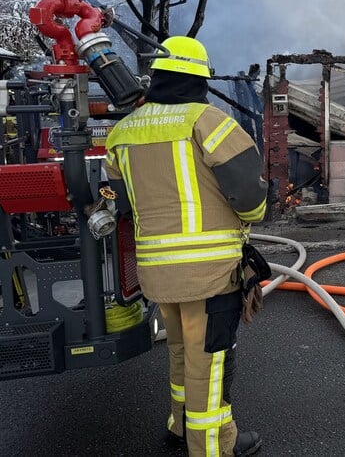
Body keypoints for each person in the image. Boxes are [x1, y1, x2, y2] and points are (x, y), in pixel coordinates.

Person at [104, 36, 268, 457]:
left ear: (156, 77)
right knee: (210, 363)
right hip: (208, 274)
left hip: (156, 273)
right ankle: (213, 447)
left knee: (179, 352)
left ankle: (179, 426)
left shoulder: (122, 132)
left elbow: (119, 202)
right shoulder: (208, 121)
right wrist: (251, 218)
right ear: (199, 79)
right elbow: (249, 194)